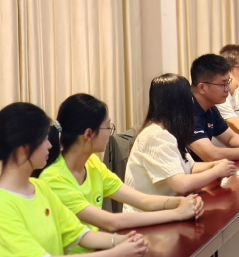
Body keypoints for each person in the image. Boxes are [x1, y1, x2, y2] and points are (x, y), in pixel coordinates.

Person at [0, 103, 148, 257]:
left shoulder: (40, 187)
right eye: (43, 139)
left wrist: (121, 241)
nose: (50, 145)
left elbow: (81, 235)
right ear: (23, 149)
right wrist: (115, 254)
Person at [39, 93, 204, 242]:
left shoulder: (92, 164)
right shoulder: (54, 179)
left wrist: (181, 202)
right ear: (88, 134)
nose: (110, 133)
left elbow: (142, 200)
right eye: (108, 127)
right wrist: (177, 213)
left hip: (96, 252)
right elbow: (110, 222)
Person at [124, 74, 236, 212]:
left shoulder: (169, 130)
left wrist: (215, 165)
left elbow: (190, 166)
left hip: (169, 209)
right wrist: (216, 171)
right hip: (147, 217)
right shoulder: (155, 136)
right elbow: (181, 185)